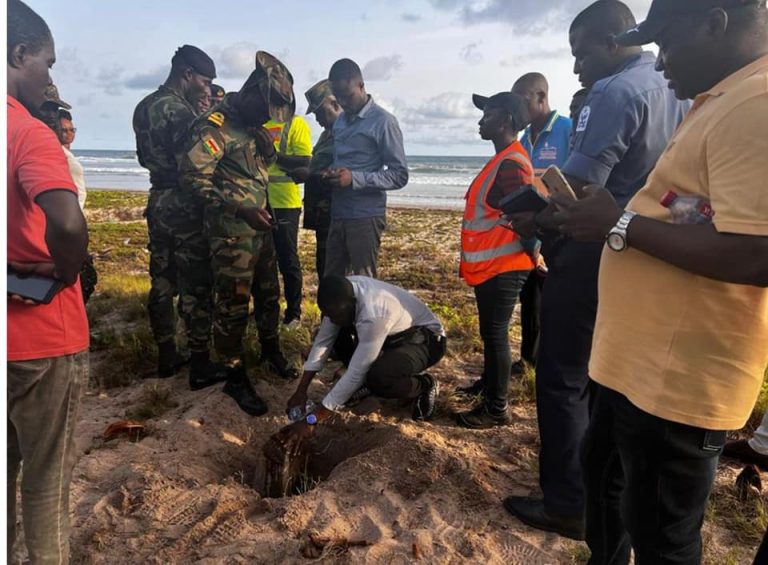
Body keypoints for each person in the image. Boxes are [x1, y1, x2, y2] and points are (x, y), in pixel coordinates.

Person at [548, 0, 768, 561]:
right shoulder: (717, 98)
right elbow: (696, 213)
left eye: (666, 42)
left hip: (677, 382)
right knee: (607, 494)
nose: (659, 60)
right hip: (633, 365)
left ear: (714, 24)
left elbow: (755, 254)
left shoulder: (757, 102)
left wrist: (619, 223)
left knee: (661, 538)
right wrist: (636, 213)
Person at [502, 0, 691, 540]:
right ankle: (602, 489)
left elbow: (582, 187)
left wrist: (536, 214)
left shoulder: (614, 92)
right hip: (651, 250)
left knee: (563, 374)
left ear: (613, 42)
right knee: (610, 377)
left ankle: (567, 502)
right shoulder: (677, 87)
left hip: (596, 249)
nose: (576, 68)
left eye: (581, 54)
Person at [8, 1, 90, 562]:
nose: (50, 77)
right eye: (48, 63)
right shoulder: (28, 133)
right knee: (45, 485)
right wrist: (66, 270)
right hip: (42, 336)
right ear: (19, 55)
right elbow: (66, 222)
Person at [179, 51, 298, 416]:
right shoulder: (215, 126)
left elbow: (255, 169)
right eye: (265, 109)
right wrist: (238, 209)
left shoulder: (251, 126)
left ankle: (271, 350)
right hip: (231, 234)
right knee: (232, 306)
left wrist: (269, 149)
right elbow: (191, 177)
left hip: (260, 228)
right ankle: (234, 374)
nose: (267, 118)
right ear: (251, 92)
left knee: (268, 294)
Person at [133, 45, 226, 389]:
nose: (206, 89)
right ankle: (200, 363)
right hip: (185, 202)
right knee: (196, 281)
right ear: (187, 74)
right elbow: (195, 163)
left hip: (158, 198)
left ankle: (167, 355)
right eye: (205, 81)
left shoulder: (143, 107)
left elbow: (143, 157)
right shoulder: (181, 112)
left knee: (161, 278)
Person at [280, 275, 446, 444]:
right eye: (330, 315)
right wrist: (301, 391)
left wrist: (312, 420)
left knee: (379, 377)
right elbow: (322, 343)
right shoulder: (339, 297)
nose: (334, 320)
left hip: (426, 340)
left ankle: (424, 384)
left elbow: (356, 374)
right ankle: (362, 385)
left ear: (353, 302)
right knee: (338, 333)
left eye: (337, 315)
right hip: (392, 336)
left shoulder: (374, 314)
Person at [454, 92, 536, 429]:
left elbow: (528, 216)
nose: (480, 120)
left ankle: (496, 408)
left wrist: (534, 252)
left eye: (487, 115)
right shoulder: (503, 159)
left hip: (506, 266)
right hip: (493, 265)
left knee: (496, 333)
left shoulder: (511, 163)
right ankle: (489, 386)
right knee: (491, 333)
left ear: (505, 120)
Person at [510, 72, 573, 374]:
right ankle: (528, 359)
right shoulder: (523, 140)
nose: (518, 109)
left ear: (541, 97)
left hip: (560, 229)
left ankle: (552, 359)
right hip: (531, 230)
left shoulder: (567, 130)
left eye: (522, 101)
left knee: (559, 300)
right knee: (530, 298)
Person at [323, 58, 408, 278]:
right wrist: (331, 173)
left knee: (364, 282)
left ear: (361, 86)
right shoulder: (340, 121)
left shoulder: (384, 122)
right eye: (338, 98)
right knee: (333, 280)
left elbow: (399, 175)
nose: (343, 103)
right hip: (338, 212)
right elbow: (342, 162)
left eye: (348, 96)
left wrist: (354, 179)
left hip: (365, 215)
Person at [39, 85, 98, 304]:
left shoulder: (58, 151)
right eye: (47, 109)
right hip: (58, 230)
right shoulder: (51, 151)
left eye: (54, 110)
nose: (50, 116)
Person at [263, 78, 313, 326]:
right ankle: (266, 309)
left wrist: (273, 155)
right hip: (258, 201)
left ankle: (293, 313)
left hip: (286, 203)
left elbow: (305, 161)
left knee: (287, 259)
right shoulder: (259, 122)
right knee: (264, 261)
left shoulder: (296, 124)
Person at [302, 79, 342, 279]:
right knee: (323, 268)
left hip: (336, 216)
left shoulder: (347, 134)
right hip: (322, 216)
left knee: (334, 274)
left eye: (319, 112)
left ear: (335, 104)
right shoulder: (326, 134)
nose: (317, 118)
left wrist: (309, 174)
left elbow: (342, 172)